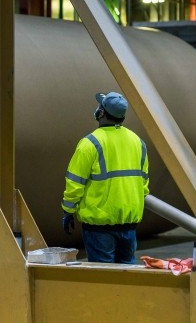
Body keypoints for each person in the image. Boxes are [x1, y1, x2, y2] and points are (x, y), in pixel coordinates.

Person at [61, 92, 149, 264]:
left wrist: (68, 211)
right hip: (129, 225)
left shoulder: (90, 143)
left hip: (99, 228)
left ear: (101, 113)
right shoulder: (138, 142)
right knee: (127, 277)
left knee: (103, 278)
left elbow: (75, 183)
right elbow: (143, 185)